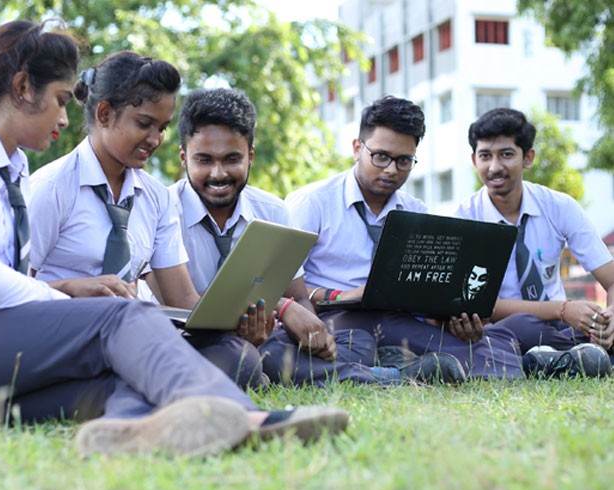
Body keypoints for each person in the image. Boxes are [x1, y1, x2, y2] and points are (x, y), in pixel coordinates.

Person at [0, 20, 348, 458]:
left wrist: (69, 293)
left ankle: (129, 429)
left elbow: (2, 286)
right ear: (21, 87)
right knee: (122, 316)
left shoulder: (11, 167)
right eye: (58, 100)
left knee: (124, 376)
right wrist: (73, 305)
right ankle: (241, 417)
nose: (63, 116)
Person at [171, 87, 464, 385]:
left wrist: (311, 333)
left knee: (348, 342)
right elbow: (185, 305)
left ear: (250, 156)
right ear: (184, 158)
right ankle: (389, 377)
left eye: (232, 159)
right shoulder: (166, 209)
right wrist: (283, 309)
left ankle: (348, 366)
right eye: (204, 160)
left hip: (268, 334)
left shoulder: (271, 210)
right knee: (249, 359)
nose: (218, 173)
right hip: (188, 337)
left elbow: (297, 295)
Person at [28, 51, 268, 389]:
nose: (155, 140)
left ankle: (154, 380)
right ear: (105, 113)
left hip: (135, 335)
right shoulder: (51, 188)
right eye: (144, 124)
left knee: (238, 357)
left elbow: (182, 301)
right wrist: (70, 289)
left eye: (163, 127)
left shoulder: (155, 197)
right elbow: (8, 292)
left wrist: (238, 322)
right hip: (67, 335)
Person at [285, 95, 524, 380]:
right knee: (358, 342)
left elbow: (425, 292)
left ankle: (398, 365)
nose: (391, 170)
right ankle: (396, 368)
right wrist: (343, 296)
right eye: (381, 156)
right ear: (357, 148)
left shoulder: (415, 211)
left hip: (399, 320)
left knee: (490, 348)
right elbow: (283, 286)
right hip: (331, 319)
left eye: (404, 161)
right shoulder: (312, 203)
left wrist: (453, 319)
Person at [454, 107, 612, 377]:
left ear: (528, 157)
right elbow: (482, 305)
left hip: (560, 326)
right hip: (506, 328)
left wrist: (609, 320)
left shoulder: (559, 206)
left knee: (592, 326)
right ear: (474, 159)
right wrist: (562, 309)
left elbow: (610, 278)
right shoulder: (465, 219)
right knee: (521, 327)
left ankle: (564, 358)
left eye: (506, 154)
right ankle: (580, 359)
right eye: (485, 156)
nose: (494, 167)